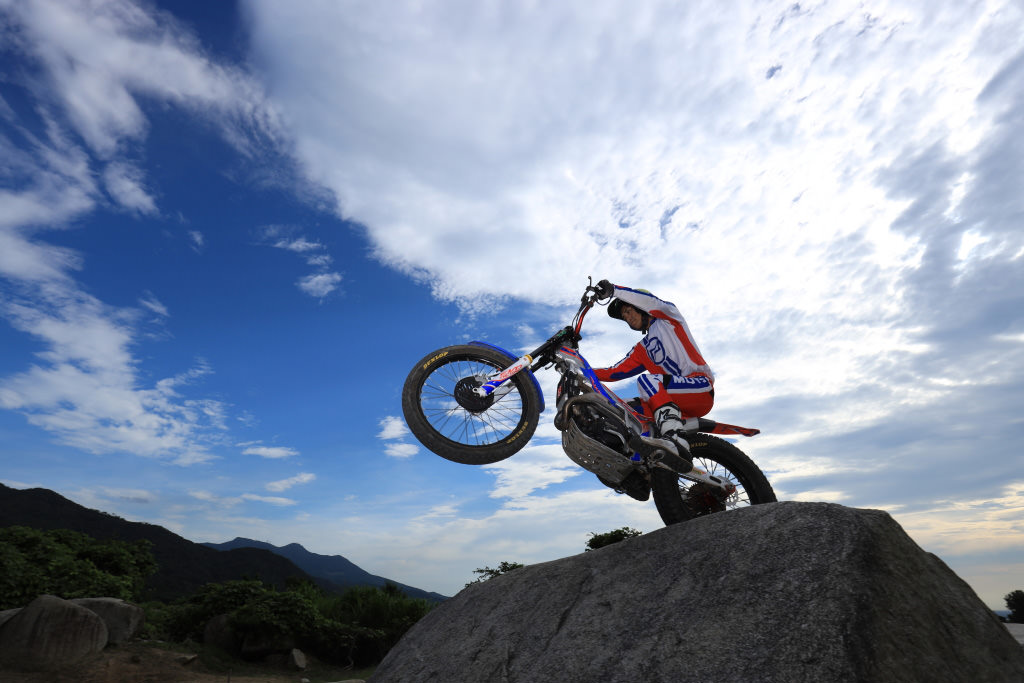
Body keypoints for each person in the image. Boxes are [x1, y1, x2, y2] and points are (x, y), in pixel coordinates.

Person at [592, 279, 714, 465]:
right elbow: (614, 372)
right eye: (624, 316)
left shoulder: (669, 317)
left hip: (700, 387)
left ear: (640, 307)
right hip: (671, 401)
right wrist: (581, 368)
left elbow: (650, 301)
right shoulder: (642, 349)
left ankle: (675, 437)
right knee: (622, 408)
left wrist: (614, 290)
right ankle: (639, 464)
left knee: (647, 381)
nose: (627, 317)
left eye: (628, 311)